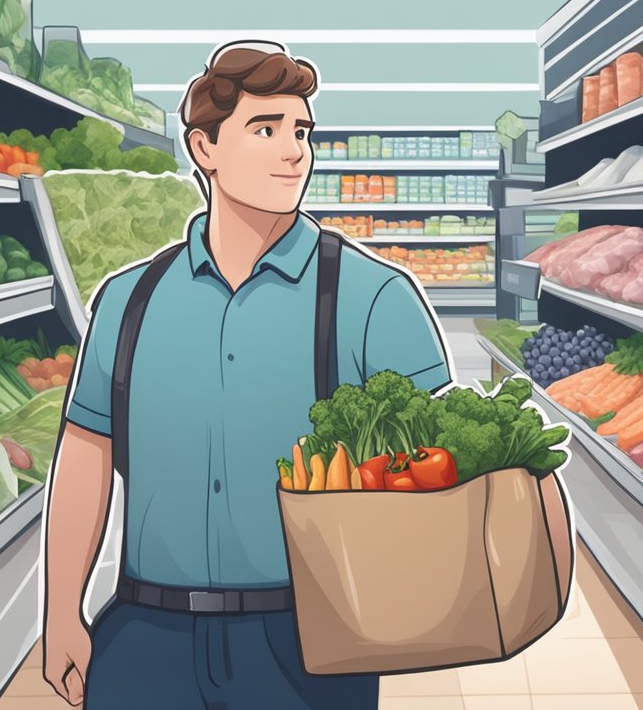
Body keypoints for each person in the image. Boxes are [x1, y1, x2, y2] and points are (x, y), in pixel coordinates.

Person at [41, 40, 452, 709]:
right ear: (204, 148)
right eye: (265, 130)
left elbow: (439, 473)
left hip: (308, 642)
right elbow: (88, 454)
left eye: (301, 132)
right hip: (146, 631)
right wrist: (62, 611)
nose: (294, 152)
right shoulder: (127, 301)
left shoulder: (372, 297)